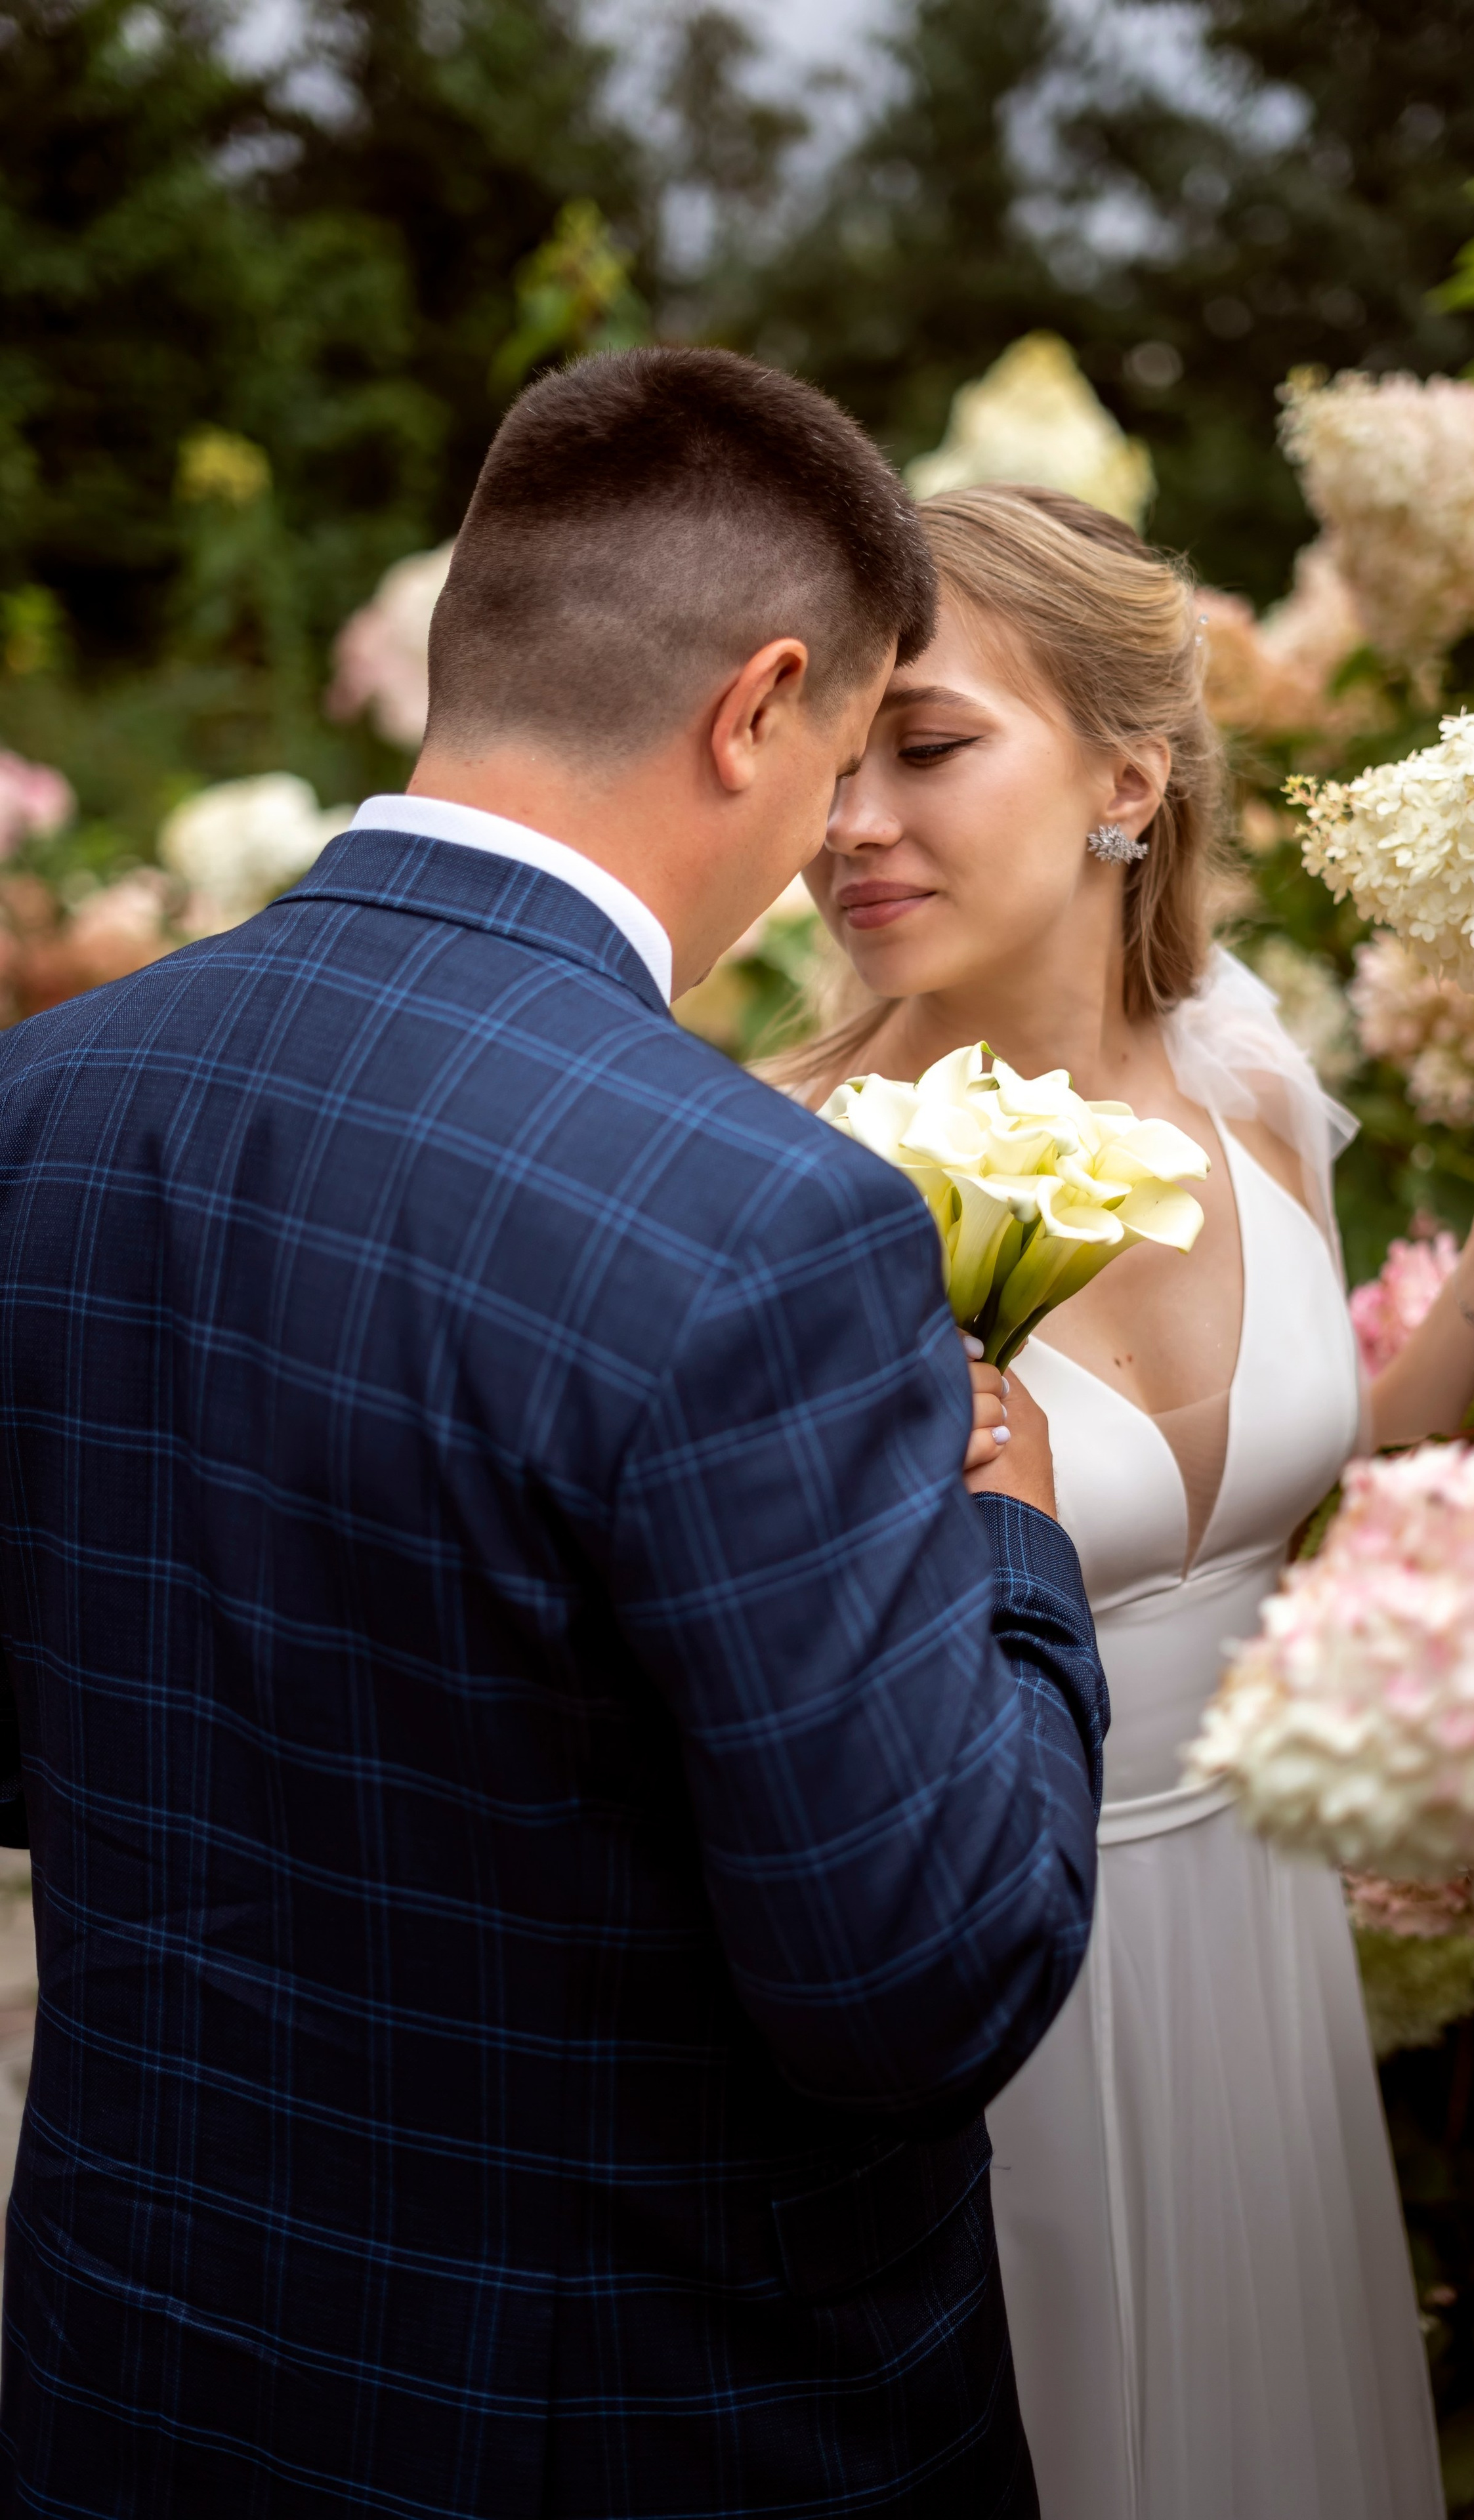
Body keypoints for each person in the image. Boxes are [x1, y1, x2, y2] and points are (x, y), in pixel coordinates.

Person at [0, 355, 1110, 2517]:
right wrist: (1016, 1560)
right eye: (838, 758)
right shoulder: (763, 1226)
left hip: (134, 2370)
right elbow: (921, 1976)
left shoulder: (39, 1109)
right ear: (754, 708)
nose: (827, 844)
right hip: (636, 2421)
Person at [783, 481, 1474, 2520]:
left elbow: (1307, 1500)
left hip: (1260, 1966)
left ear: (1126, 775)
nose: (850, 821)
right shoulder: (798, 1184)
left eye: (921, 745)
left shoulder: (1252, 1078)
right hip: (1002, 1997)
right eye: (830, 759)